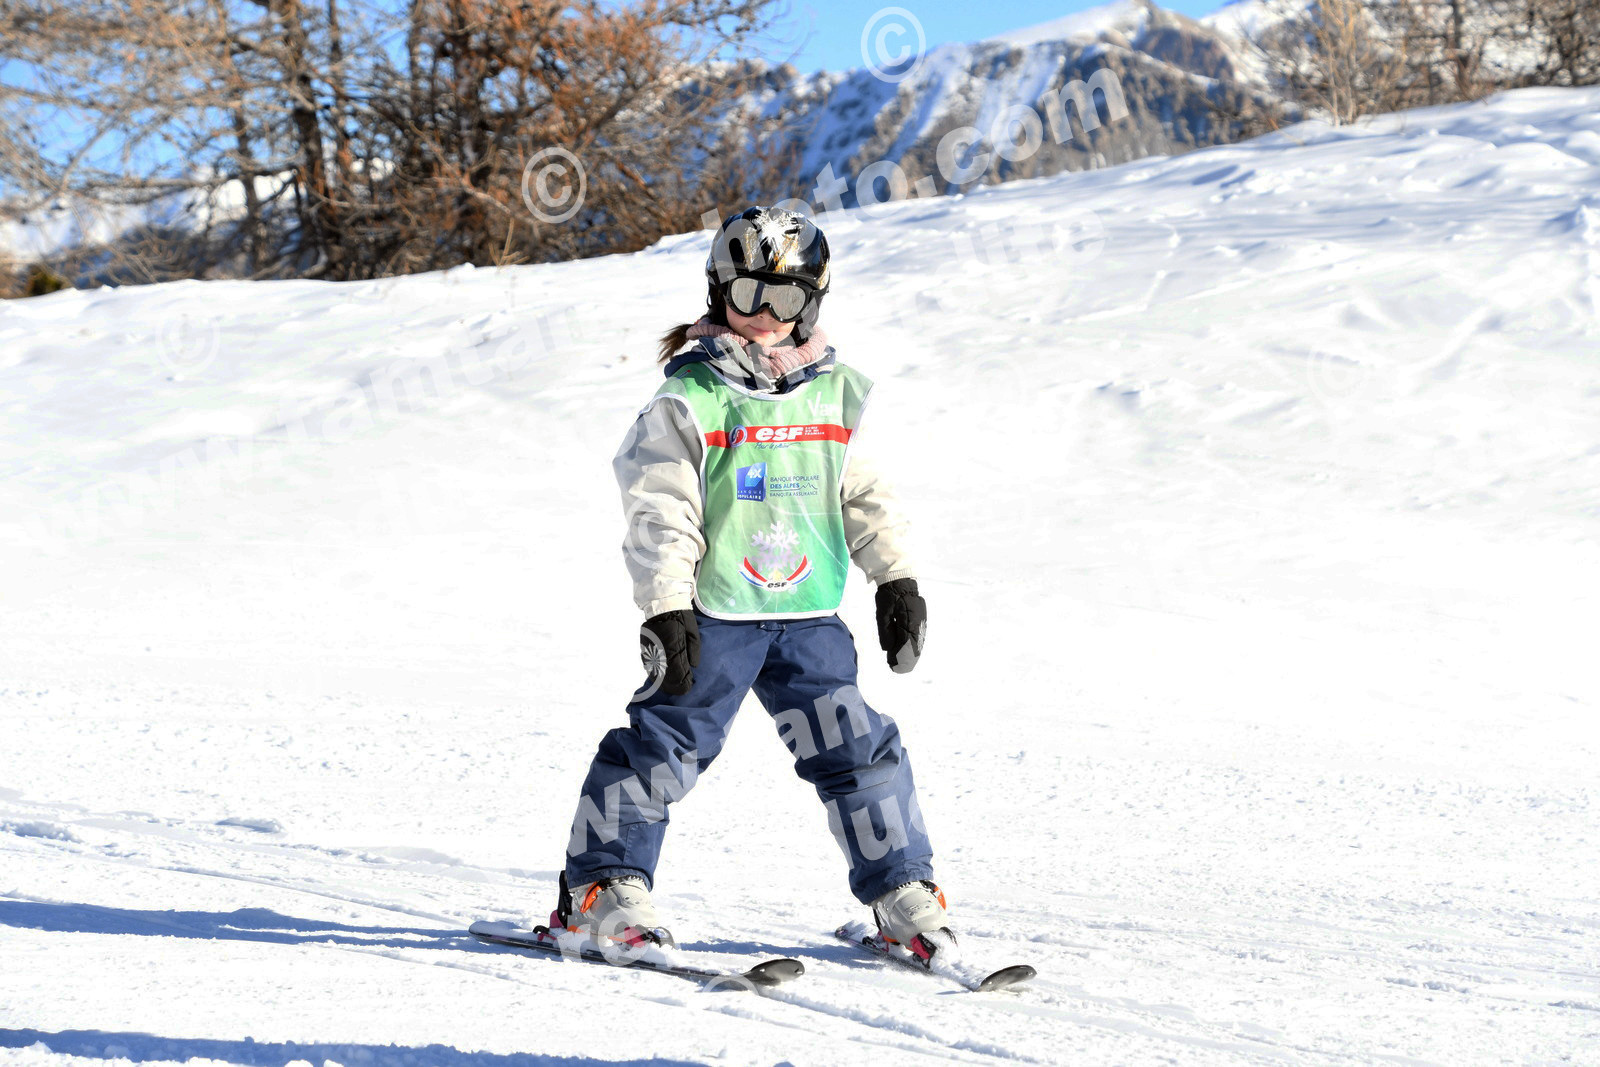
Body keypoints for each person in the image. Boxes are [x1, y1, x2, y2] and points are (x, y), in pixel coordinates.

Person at [557, 205, 949, 961]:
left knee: (857, 750)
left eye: (785, 298)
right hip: (714, 618)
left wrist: (895, 578)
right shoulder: (690, 398)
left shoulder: (834, 394)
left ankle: (903, 891)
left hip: (808, 615)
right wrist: (666, 607)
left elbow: (865, 493)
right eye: (747, 295)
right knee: (663, 746)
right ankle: (602, 888)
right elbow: (660, 509)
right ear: (718, 293)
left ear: (813, 303)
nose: (764, 315)